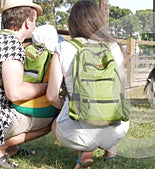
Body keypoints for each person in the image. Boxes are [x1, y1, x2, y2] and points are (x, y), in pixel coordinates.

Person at [46, 1, 130, 169]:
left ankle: (85, 154)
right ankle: (110, 150)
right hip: (117, 130)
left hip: (76, 134)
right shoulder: (114, 47)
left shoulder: (63, 48)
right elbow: (121, 90)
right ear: (99, 21)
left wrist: (70, 107)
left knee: (55, 123)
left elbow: (51, 96)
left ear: (73, 22)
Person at [0, 1, 53, 168]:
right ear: (28, 22)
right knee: (53, 118)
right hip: (2, 115)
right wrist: (47, 87)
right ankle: (2, 148)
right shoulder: (12, 44)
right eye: (35, 21)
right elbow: (15, 93)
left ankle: (13, 147)